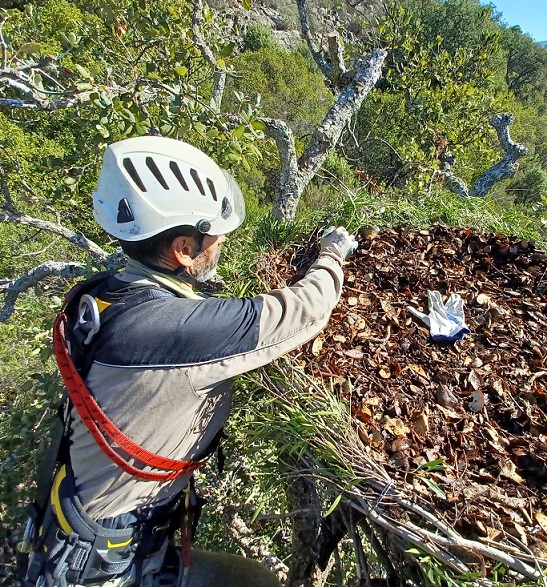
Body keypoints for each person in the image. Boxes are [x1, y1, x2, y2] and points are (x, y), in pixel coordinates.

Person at [20, 135, 358, 587]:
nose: (219, 242)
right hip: (111, 558)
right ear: (183, 249)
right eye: (213, 234)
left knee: (251, 577)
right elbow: (304, 310)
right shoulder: (173, 330)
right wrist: (333, 254)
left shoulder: (101, 295)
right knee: (255, 583)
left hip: (91, 526)